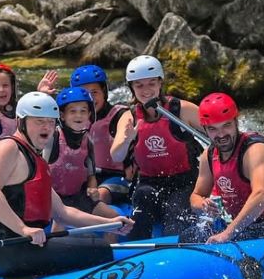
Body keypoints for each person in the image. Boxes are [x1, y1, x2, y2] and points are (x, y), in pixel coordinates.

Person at [0, 92, 133, 278]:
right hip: (8, 250)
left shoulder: (35, 158)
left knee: (96, 245)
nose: (47, 127)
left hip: (29, 245)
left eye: (51, 122)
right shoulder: (8, 147)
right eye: (39, 121)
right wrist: (23, 229)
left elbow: (63, 213)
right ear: (20, 122)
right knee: (99, 250)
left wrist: (109, 224)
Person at [185, 93, 264, 243]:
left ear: (236, 122)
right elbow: (196, 196)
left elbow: (262, 195)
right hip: (244, 227)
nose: (221, 135)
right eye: (213, 129)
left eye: (226, 125)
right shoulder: (208, 155)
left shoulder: (254, 149)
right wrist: (203, 205)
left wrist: (227, 233)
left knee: (236, 239)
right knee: (190, 235)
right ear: (205, 129)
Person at [109, 55, 202, 240]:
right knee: (143, 198)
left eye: (151, 83)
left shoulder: (181, 110)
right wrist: (127, 139)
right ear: (132, 88)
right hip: (149, 183)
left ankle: (175, 250)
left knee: (175, 210)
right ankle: (136, 252)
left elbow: (218, 133)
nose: (146, 90)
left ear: (160, 83)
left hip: (184, 182)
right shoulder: (129, 117)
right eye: (139, 85)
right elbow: (116, 156)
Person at [48, 86, 120, 218]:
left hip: (77, 196)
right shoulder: (52, 138)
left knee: (115, 219)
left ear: (89, 115)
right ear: (62, 116)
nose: (79, 115)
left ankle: (111, 240)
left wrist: (93, 188)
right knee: (61, 219)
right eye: (73, 111)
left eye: (83, 111)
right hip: (52, 199)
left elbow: (91, 175)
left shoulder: (88, 141)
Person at [70, 64, 131, 204]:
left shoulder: (120, 115)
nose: (90, 98)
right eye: (84, 93)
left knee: (98, 196)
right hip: (86, 177)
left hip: (116, 178)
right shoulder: (71, 119)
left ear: (104, 91)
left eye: (94, 92)